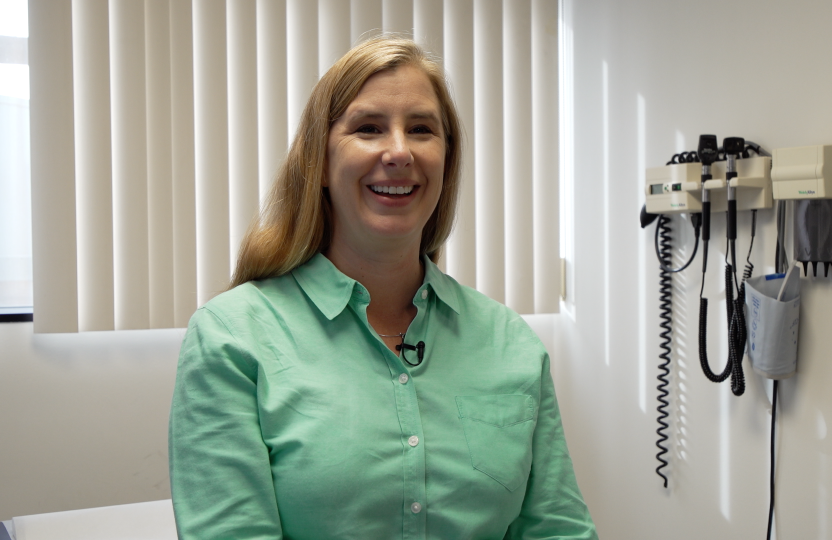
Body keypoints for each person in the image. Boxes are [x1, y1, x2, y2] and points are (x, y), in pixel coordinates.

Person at [168, 35, 597, 539]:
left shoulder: (509, 342)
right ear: (321, 163)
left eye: (421, 129)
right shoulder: (233, 337)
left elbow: (557, 529)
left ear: (446, 160)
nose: (399, 151)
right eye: (368, 128)